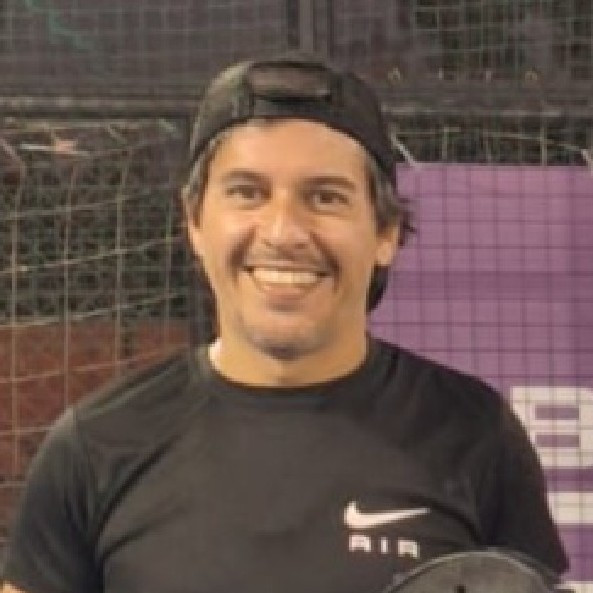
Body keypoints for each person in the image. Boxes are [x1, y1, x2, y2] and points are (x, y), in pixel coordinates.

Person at [2, 53, 567, 593]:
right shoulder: (94, 446)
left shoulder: (475, 433)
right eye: (247, 193)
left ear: (385, 232)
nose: (283, 232)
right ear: (194, 222)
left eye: (325, 197)